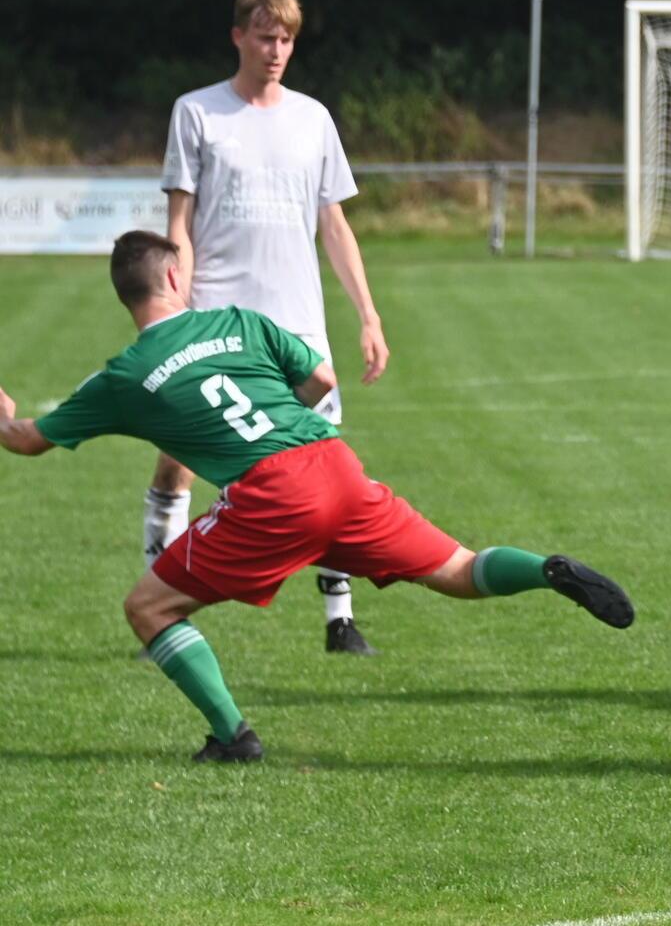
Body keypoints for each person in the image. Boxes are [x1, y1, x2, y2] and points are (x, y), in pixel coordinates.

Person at [0, 232, 634, 762]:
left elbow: (26, 440)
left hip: (270, 496)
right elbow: (321, 377)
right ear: (173, 274)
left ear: (126, 295)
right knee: (460, 569)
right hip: (333, 461)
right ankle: (549, 572)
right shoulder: (239, 321)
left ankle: (234, 737)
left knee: (149, 610)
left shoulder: (125, 377)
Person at [150, 0, 390, 655]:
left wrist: (368, 316)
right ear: (238, 37)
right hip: (217, 321)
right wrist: (174, 314)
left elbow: (333, 225)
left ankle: (339, 619)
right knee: (179, 462)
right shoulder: (196, 113)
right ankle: (160, 604)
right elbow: (180, 224)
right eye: (264, 36)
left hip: (298, 330)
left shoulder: (313, 119)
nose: (276, 49)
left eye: (285, 38)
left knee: (327, 466)